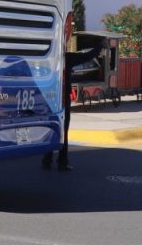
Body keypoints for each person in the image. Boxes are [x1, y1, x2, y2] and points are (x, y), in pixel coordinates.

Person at [42, 42, 104, 171]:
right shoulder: (67, 57)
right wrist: (100, 46)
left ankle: (47, 159)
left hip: (49, 96)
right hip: (62, 97)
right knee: (63, 130)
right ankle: (62, 161)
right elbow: (87, 56)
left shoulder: (46, 57)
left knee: (50, 129)